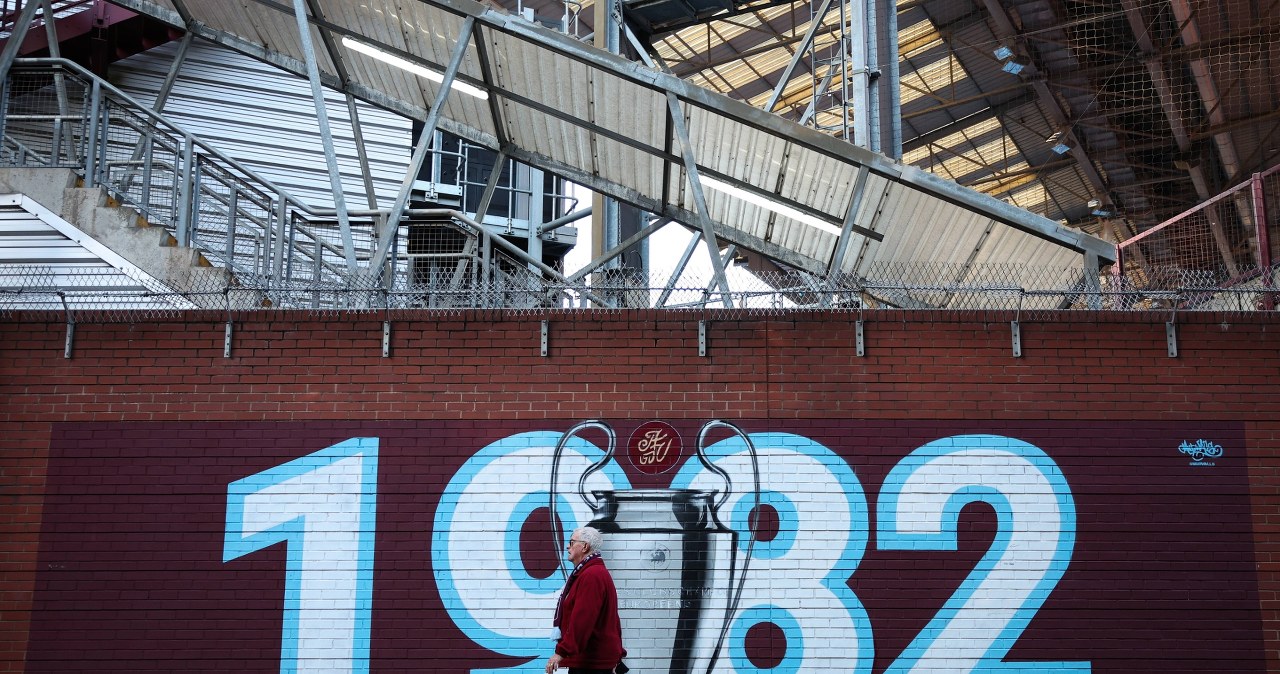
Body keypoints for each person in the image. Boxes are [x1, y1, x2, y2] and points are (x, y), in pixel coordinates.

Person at [546, 526, 627, 674]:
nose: (568, 546)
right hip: (592, 662)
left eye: (572, 542)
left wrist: (561, 652)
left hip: (591, 664)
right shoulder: (591, 572)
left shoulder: (592, 575)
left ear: (584, 547)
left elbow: (583, 620)